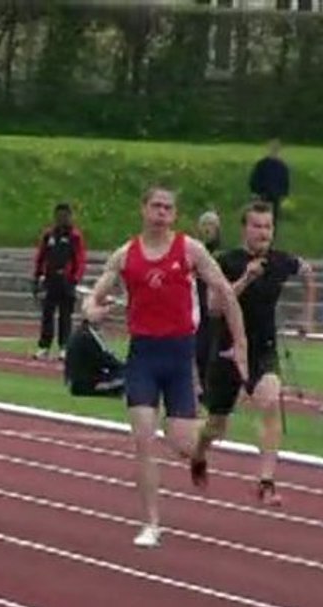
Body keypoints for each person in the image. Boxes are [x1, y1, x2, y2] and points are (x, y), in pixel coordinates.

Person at [82, 186, 248, 549]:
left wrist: (240, 344)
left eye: (168, 208)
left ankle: (204, 442)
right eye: (155, 206)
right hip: (143, 356)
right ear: (143, 209)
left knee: (182, 444)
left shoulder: (190, 250)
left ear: (174, 214)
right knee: (143, 439)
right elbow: (94, 297)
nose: (161, 212)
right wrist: (92, 311)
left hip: (179, 356)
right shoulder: (126, 255)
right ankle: (151, 523)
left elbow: (224, 291)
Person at [190, 200, 316, 506]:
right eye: (257, 226)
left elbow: (308, 272)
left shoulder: (281, 261)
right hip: (226, 349)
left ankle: (266, 481)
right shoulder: (225, 261)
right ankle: (199, 453)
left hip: (263, 349)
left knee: (270, 399)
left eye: (268, 227)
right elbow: (214, 308)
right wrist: (246, 278)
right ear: (245, 228)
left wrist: (307, 316)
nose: (263, 233)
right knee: (216, 425)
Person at [32, 202, 87, 361]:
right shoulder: (49, 235)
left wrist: (75, 278)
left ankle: (64, 347)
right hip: (50, 279)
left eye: (65, 215)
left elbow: (80, 259)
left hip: (66, 280)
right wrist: (37, 276)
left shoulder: (75, 237)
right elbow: (41, 256)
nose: (62, 219)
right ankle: (44, 346)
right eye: (59, 216)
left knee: (65, 315)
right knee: (47, 314)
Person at [194, 210, 223, 399]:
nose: (207, 229)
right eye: (205, 225)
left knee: (212, 348)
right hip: (196, 305)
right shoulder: (194, 251)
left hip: (212, 307)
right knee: (197, 348)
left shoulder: (220, 255)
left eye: (211, 225)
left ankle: (209, 388)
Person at [63, 319, 126, 398]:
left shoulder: (81, 333)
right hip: (86, 384)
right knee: (126, 377)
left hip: (77, 381)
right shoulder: (87, 337)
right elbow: (104, 360)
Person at [248, 139, 290, 225]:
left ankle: (270, 236)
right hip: (261, 196)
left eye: (276, 150)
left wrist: (283, 195)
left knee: (272, 220)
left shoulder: (282, 167)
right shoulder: (261, 164)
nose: (274, 152)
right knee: (259, 218)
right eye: (272, 149)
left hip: (275, 196)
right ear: (268, 150)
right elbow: (255, 178)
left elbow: (285, 182)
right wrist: (254, 192)